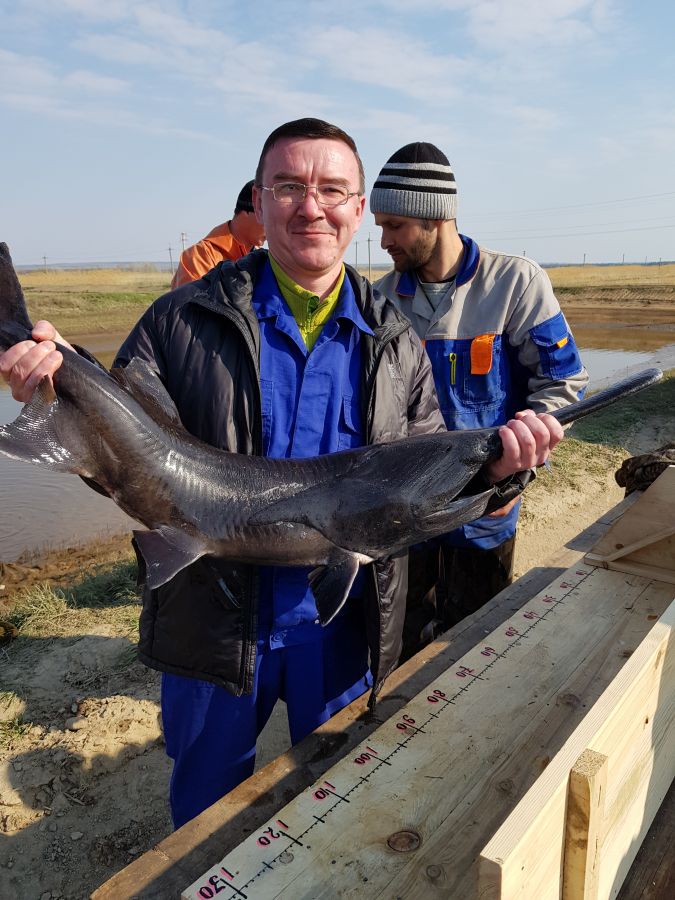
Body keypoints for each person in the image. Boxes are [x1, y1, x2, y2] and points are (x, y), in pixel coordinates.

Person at [0, 120, 564, 830]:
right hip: (211, 616)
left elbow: (424, 491)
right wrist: (54, 386)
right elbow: (123, 464)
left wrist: (499, 476)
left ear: (358, 209)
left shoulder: (396, 339)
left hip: (341, 623)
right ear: (258, 204)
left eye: (332, 189)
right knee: (204, 811)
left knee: (331, 807)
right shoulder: (178, 322)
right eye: (289, 187)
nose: (311, 206)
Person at [370, 141, 589, 659]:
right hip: (410, 511)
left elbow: (561, 383)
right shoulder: (379, 300)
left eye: (395, 226)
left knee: (475, 642)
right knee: (400, 638)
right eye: (380, 226)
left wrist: (521, 465)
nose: (383, 241)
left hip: (488, 504)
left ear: (436, 217)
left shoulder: (515, 283)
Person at [170, 179, 266, 289]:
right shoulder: (198, 258)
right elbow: (189, 304)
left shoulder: (263, 259)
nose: (274, 227)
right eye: (269, 219)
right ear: (246, 213)